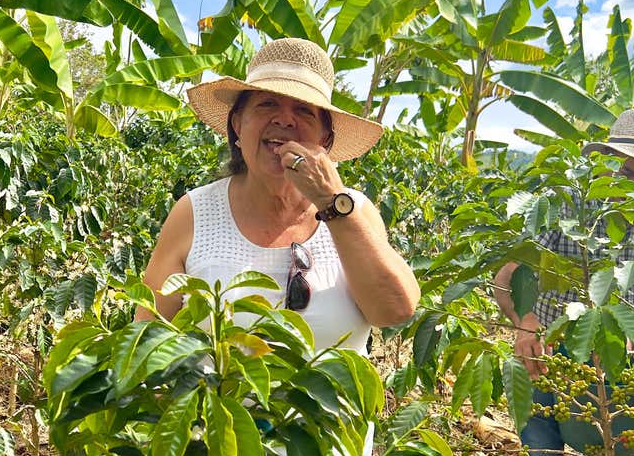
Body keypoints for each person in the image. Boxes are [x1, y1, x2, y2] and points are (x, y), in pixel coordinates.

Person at [134, 37, 420, 356]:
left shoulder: (353, 209)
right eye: (267, 104)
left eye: (304, 111)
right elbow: (147, 338)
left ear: (325, 140)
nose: (284, 120)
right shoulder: (195, 212)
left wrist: (332, 203)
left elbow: (395, 310)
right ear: (237, 125)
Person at [494, 108, 634, 456]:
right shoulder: (567, 208)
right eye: (628, 174)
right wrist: (525, 322)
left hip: (618, 376)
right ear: (605, 165)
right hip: (545, 361)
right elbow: (507, 276)